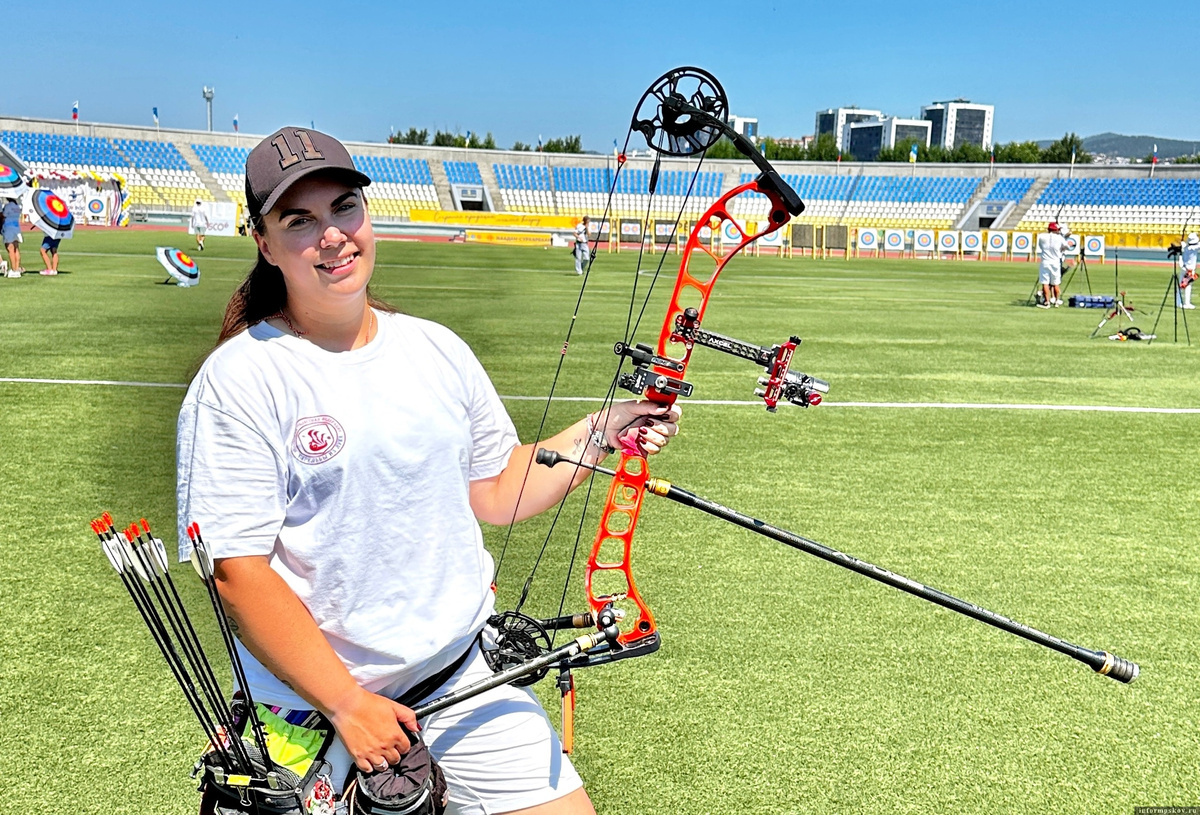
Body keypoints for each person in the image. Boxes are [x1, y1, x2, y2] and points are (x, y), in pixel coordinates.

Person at [176, 127, 680, 815]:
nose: (332, 236)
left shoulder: (435, 349)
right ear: (264, 243)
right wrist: (349, 702)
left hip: (459, 676)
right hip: (308, 706)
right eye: (300, 221)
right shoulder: (239, 378)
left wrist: (600, 433)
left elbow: (498, 487)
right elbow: (237, 570)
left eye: (344, 208)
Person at [1036, 221, 1070, 309]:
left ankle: (1047, 302)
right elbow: (1067, 247)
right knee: (1056, 283)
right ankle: (1056, 302)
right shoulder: (1059, 238)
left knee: (1045, 283)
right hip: (1055, 263)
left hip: (1045, 262)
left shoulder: (1042, 236)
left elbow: (1041, 247)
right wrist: (1061, 248)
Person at [1177, 232, 1198, 310]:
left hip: (1183, 267)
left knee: (1181, 285)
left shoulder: (1185, 246)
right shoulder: (1193, 248)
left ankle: (1178, 302)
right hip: (1190, 269)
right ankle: (1187, 303)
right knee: (1188, 286)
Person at [2, 196, 22, 276]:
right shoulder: (18, 206)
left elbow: (3, 216)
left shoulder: (8, 206)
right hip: (16, 227)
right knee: (16, 249)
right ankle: (16, 269)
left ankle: (13, 269)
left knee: (10, 249)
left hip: (9, 228)